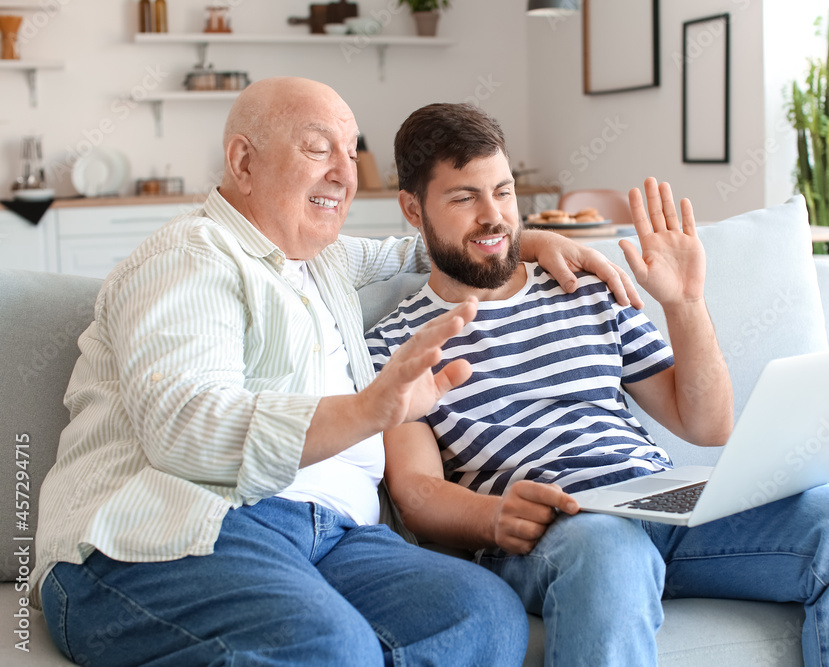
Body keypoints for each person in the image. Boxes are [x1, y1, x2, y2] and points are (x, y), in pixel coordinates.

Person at [29, 78, 641, 666]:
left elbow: (433, 241)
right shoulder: (190, 257)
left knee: (481, 616)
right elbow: (186, 429)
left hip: (336, 536)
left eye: (351, 152)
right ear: (243, 162)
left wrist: (526, 238)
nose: (345, 174)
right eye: (318, 149)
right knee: (328, 648)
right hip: (176, 533)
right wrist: (369, 410)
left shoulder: (324, 259)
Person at [367, 102, 829, 667]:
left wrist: (684, 303)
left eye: (503, 192)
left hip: (661, 500)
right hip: (563, 532)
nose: (493, 216)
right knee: (609, 548)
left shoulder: (584, 290)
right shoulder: (396, 344)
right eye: (464, 197)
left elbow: (707, 424)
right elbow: (417, 494)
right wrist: (495, 518)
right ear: (413, 208)